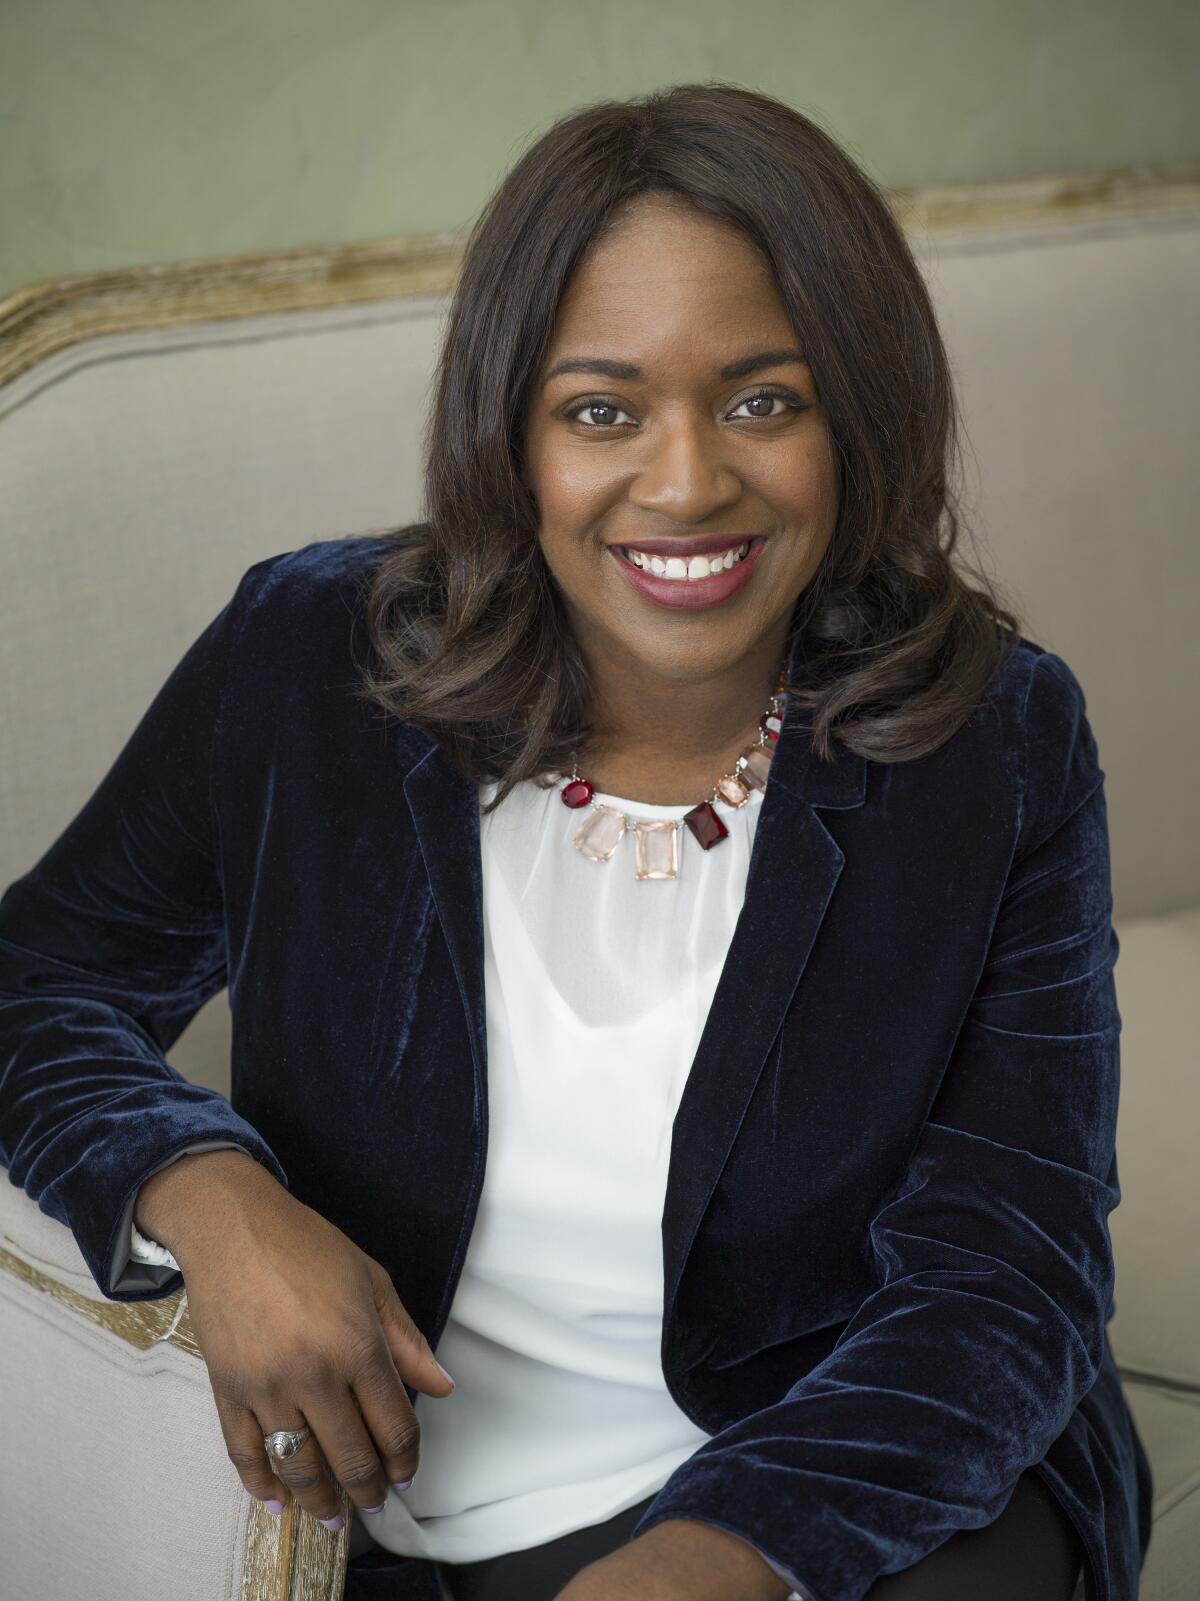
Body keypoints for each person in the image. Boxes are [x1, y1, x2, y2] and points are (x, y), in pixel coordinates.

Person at [0, 82, 1152, 1601]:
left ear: (856, 414)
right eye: (602, 409)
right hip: (363, 1527)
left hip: (845, 1494)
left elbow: (1011, 1277)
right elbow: (33, 982)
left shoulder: (993, 737)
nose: (685, 482)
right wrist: (208, 1194)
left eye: (763, 399)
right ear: (511, 433)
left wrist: (717, 1555)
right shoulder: (309, 662)